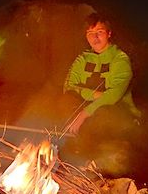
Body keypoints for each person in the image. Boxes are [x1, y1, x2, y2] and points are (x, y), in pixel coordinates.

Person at [61, 14, 142, 157]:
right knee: (65, 101)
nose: (95, 38)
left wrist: (84, 113)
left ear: (109, 34)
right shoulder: (82, 59)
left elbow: (112, 97)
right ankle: (71, 154)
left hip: (116, 113)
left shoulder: (120, 59)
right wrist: (94, 95)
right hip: (87, 112)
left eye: (100, 32)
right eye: (90, 33)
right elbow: (69, 88)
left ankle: (102, 161)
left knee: (103, 113)